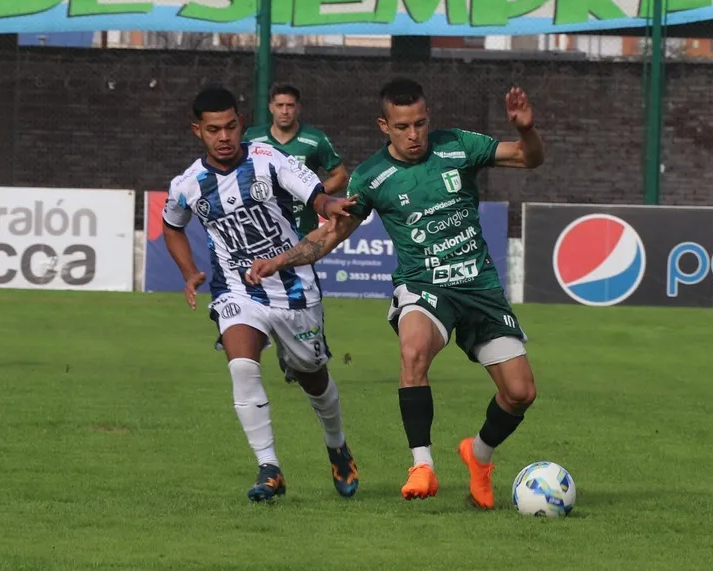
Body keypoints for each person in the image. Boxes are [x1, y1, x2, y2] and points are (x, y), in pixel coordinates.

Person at [247, 78, 545, 509]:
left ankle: (478, 456)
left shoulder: (458, 146)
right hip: (423, 286)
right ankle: (421, 464)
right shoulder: (371, 176)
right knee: (413, 350)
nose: (414, 135)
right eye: (403, 126)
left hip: (478, 286)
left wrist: (525, 130)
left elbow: (528, 158)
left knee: (521, 394)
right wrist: (279, 260)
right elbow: (330, 235)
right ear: (384, 125)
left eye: (421, 124)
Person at [163, 87, 360, 502]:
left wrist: (329, 203)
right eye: (213, 129)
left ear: (241, 123)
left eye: (231, 126)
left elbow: (313, 192)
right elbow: (172, 225)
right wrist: (189, 272)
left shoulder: (268, 159)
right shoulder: (187, 185)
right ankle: (269, 467)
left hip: (293, 286)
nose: (224, 137)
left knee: (312, 375)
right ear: (197, 131)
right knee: (241, 366)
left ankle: (337, 446)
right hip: (236, 288)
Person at [244, 83, 348, 383]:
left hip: (301, 233)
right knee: (263, 294)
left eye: (290, 105)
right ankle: (271, 348)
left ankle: (312, 347)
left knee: (303, 293)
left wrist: (313, 193)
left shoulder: (314, 140)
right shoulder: (253, 138)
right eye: (280, 105)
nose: (285, 111)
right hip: (262, 230)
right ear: (271, 108)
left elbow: (341, 174)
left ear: (297, 108)